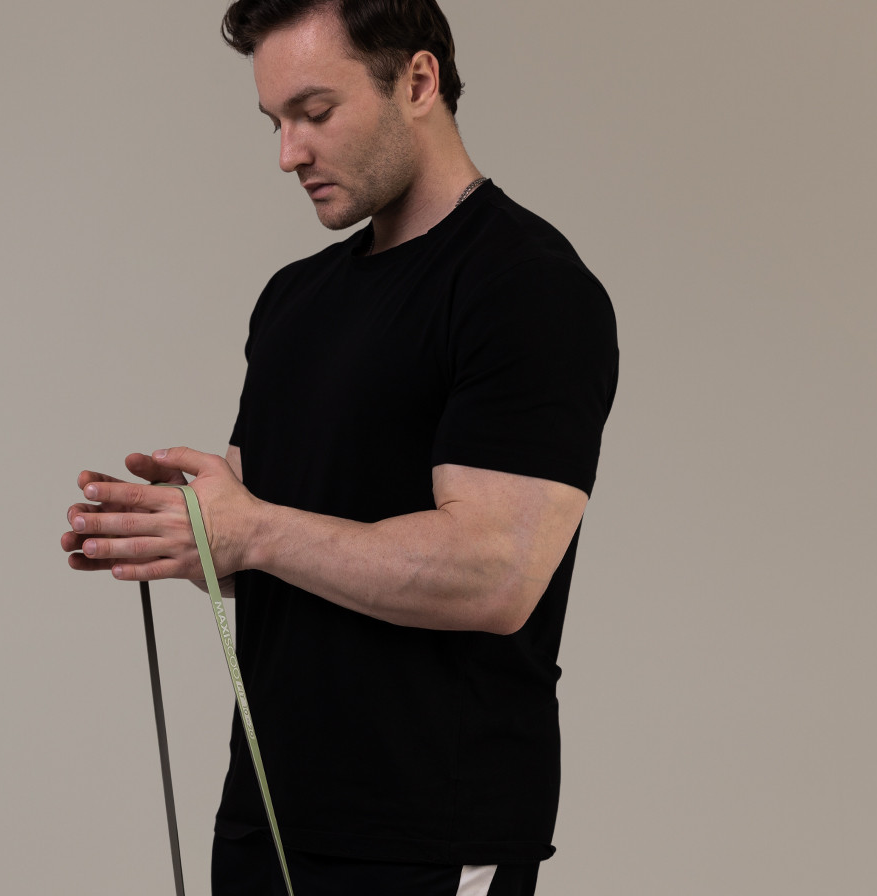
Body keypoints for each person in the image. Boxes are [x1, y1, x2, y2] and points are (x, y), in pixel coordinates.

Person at [61, 1, 619, 893]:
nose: (289, 153)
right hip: (267, 815)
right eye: (274, 122)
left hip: (425, 836)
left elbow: (497, 573)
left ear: (418, 81)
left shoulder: (525, 285)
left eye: (315, 113)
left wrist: (252, 531)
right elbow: (269, 550)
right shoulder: (294, 300)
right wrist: (188, 532)